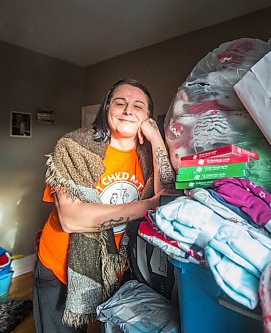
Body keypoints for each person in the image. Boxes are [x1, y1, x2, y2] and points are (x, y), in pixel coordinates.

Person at [33, 78, 176, 333]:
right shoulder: (74, 147)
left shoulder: (147, 155)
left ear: (148, 117)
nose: (128, 110)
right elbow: (72, 219)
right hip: (62, 268)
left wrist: (156, 139)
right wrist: (149, 205)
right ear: (107, 108)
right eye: (120, 103)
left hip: (115, 269)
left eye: (138, 106)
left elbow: (169, 193)